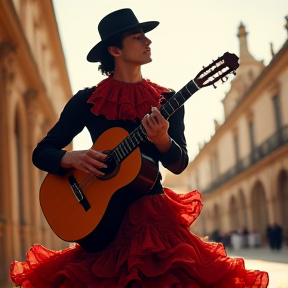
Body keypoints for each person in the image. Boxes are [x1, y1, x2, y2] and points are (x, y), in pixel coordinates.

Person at [10, 8, 269, 288]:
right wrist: (70, 158)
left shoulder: (167, 99)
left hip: (153, 225)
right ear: (114, 50)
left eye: (145, 36)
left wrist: (162, 141)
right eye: (137, 37)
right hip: (103, 224)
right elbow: (41, 152)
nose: (148, 41)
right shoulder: (86, 101)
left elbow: (179, 163)